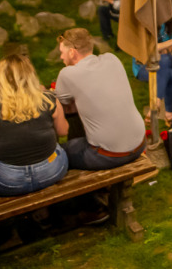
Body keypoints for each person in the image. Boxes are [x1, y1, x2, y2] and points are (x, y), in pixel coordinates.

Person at [0, 55, 69, 196]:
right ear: (30, 75)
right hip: (51, 172)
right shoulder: (49, 100)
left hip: (7, 181)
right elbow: (63, 131)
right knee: (59, 150)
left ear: (0, 78)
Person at [54, 28, 146, 171]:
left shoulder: (67, 74)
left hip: (108, 155)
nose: (61, 57)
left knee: (56, 154)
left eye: (62, 52)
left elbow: (62, 104)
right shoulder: (112, 59)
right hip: (140, 144)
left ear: (72, 52)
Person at [132, 19, 172, 122]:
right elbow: (148, 49)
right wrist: (170, 43)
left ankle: (160, 106)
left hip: (164, 64)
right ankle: (163, 107)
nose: (170, 12)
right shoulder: (146, 22)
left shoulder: (169, 24)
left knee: (170, 68)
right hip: (143, 67)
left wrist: (163, 47)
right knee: (170, 69)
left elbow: (169, 49)